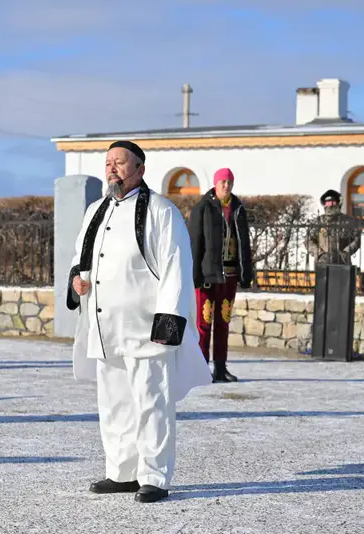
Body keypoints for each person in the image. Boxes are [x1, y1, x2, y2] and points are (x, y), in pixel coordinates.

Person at [66, 140, 212, 503]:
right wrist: (77, 280)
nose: (112, 168)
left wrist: (168, 325)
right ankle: (121, 472)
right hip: (105, 327)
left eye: (120, 162)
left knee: (152, 403)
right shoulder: (96, 210)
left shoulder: (162, 212)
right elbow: (81, 257)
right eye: (108, 162)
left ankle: (154, 477)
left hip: (146, 330)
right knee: (114, 404)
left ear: (140, 169)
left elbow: (176, 268)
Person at [188, 168, 253, 383]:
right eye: (223, 182)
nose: (227, 186)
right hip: (208, 276)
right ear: (216, 184)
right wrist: (195, 276)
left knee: (223, 322)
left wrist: (246, 273)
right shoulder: (203, 208)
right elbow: (195, 243)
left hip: (230, 275)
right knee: (204, 324)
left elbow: (245, 244)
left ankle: (221, 368)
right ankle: (200, 369)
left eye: (230, 182)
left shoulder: (238, 208)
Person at [306, 189, 361, 266]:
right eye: (328, 203)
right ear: (324, 204)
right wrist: (319, 253)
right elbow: (308, 240)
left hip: (343, 262)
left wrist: (346, 252)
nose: (330, 205)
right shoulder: (318, 221)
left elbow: (356, 239)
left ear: (338, 203)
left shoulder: (348, 221)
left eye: (333, 202)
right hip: (322, 262)